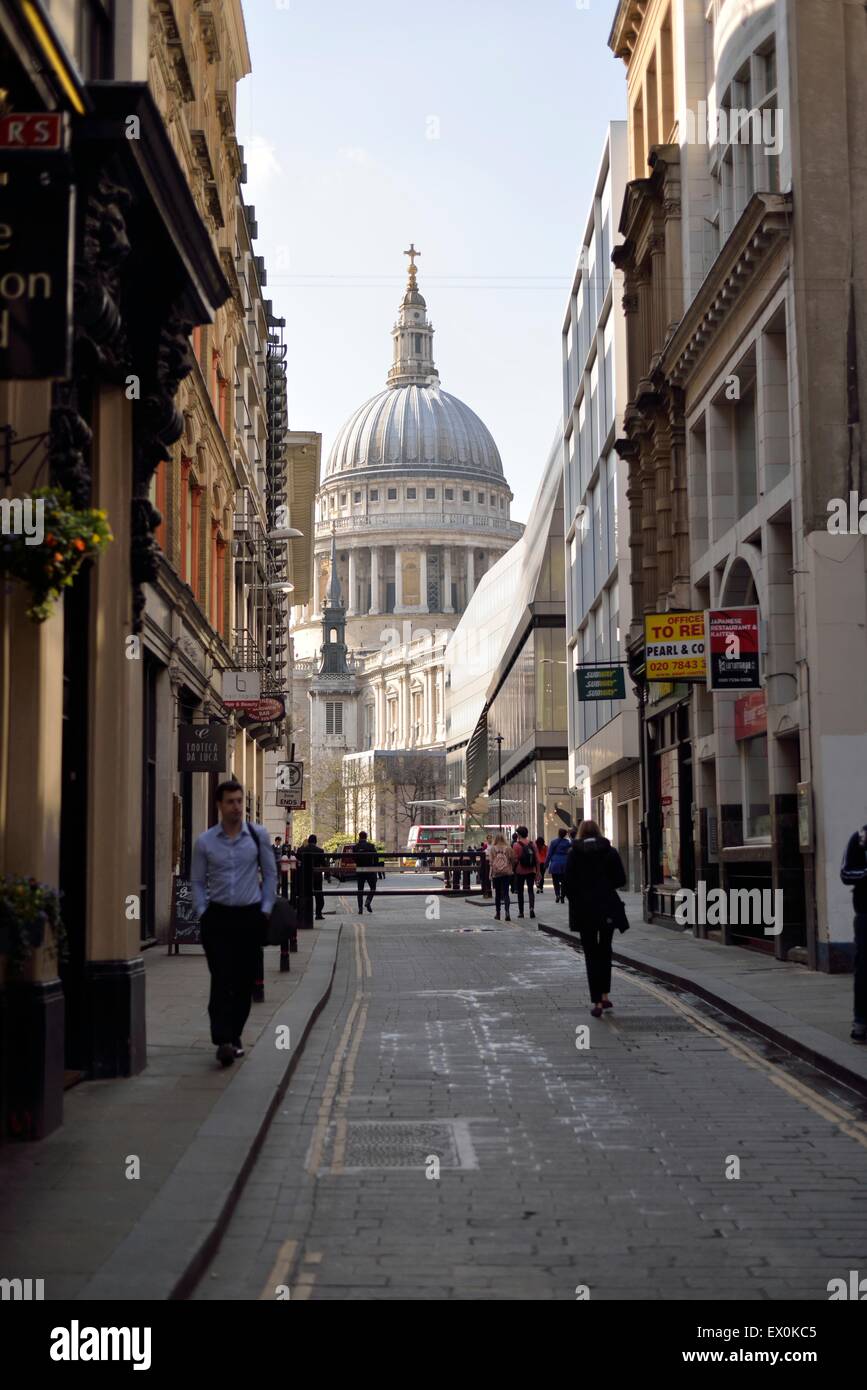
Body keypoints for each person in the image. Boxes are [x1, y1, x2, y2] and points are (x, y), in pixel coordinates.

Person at [191, 779, 277, 1067]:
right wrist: (203, 910)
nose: (237, 807)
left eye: (240, 801)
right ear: (219, 805)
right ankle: (222, 1040)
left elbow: (270, 873)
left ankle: (235, 1035)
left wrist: (265, 910)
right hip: (217, 918)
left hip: (249, 917)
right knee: (221, 977)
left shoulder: (257, 836)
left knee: (243, 981)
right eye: (230, 801)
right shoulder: (205, 842)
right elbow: (197, 880)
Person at [563, 819, 627, 1018]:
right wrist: (605, 887)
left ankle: (597, 1001)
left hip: (584, 910)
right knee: (605, 951)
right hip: (606, 907)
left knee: (591, 954)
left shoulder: (573, 853)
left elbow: (567, 885)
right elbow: (621, 880)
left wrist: (578, 898)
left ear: (581, 833)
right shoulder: (610, 851)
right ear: (598, 832)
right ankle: (605, 994)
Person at [840, 822, 867, 1042]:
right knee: (864, 968)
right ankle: (861, 1021)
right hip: (866, 914)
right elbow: (846, 873)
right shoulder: (860, 839)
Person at [512, 825, 541, 919]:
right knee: (530, 890)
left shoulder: (516, 845)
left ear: (519, 834)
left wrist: (513, 868)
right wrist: (538, 872)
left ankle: (521, 912)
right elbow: (537, 859)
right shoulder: (532, 844)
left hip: (520, 870)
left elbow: (515, 860)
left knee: (520, 891)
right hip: (531, 870)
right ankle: (531, 909)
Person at [297, 834, 326, 920]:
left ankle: (305, 913)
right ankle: (318, 914)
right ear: (315, 841)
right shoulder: (320, 851)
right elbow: (323, 864)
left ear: (308, 841)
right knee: (319, 895)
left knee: (305, 894)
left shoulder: (301, 850)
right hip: (317, 876)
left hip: (305, 876)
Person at [487, 834, 514, 921]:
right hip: (506, 873)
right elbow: (512, 859)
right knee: (506, 893)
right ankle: (507, 913)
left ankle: (498, 914)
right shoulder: (508, 848)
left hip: (496, 873)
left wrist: (490, 873)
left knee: (497, 894)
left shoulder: (492, 849)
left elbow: (491, 862)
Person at [353, 830, 379, 913]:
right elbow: (376, 858)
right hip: (370, 869)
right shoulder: (371, 846)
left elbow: (354, 858)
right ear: (366, 837)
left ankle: (360, 909)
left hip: (360, 870)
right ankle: (368, 901)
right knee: (373, 888)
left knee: (360, 890)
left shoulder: (355, 847)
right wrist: (375, 867)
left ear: (359, 837)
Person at [545, 828, 571, 902]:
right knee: (564, 881)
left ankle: (557, 894)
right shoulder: (568, 843)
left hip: (555, 863)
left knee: (555, 881)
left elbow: (549, 854)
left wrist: (546, 864)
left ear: (558, 833)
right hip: (565, 863)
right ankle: (562, 896)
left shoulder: (553, 842)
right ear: (565, 834)